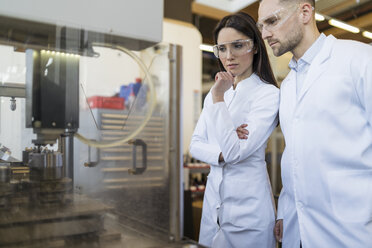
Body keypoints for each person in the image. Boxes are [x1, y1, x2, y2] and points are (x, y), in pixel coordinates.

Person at [255, 0, 372, 247]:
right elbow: (294, 156)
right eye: (261, 25)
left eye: (272, 21)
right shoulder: (287, 86)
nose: (264, 34)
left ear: (305, 12)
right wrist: (286, 209)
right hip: (298, 231)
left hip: (353, 232)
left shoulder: (359, 59)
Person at [189, 12, 279, 248]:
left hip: (250, 215)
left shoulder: (267, 94)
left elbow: (235, 154)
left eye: (238, 46)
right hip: (213, 210)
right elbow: (195, 144)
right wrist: (225, 143)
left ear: (256, 47)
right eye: (222, 48)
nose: (229, 56)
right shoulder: (219, 91)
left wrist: (218, 98)